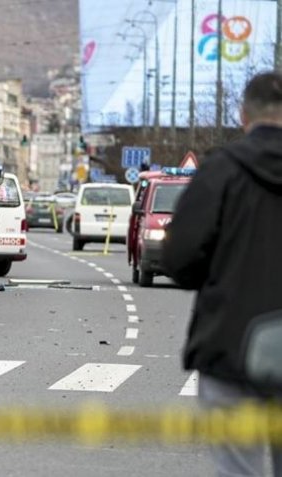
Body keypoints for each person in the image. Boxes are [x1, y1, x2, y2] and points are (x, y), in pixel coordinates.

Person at [164, 71, 282, 476]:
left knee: (238, 470)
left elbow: (179, 260)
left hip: (232, 348)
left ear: (243, 115)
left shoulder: (220, 172)